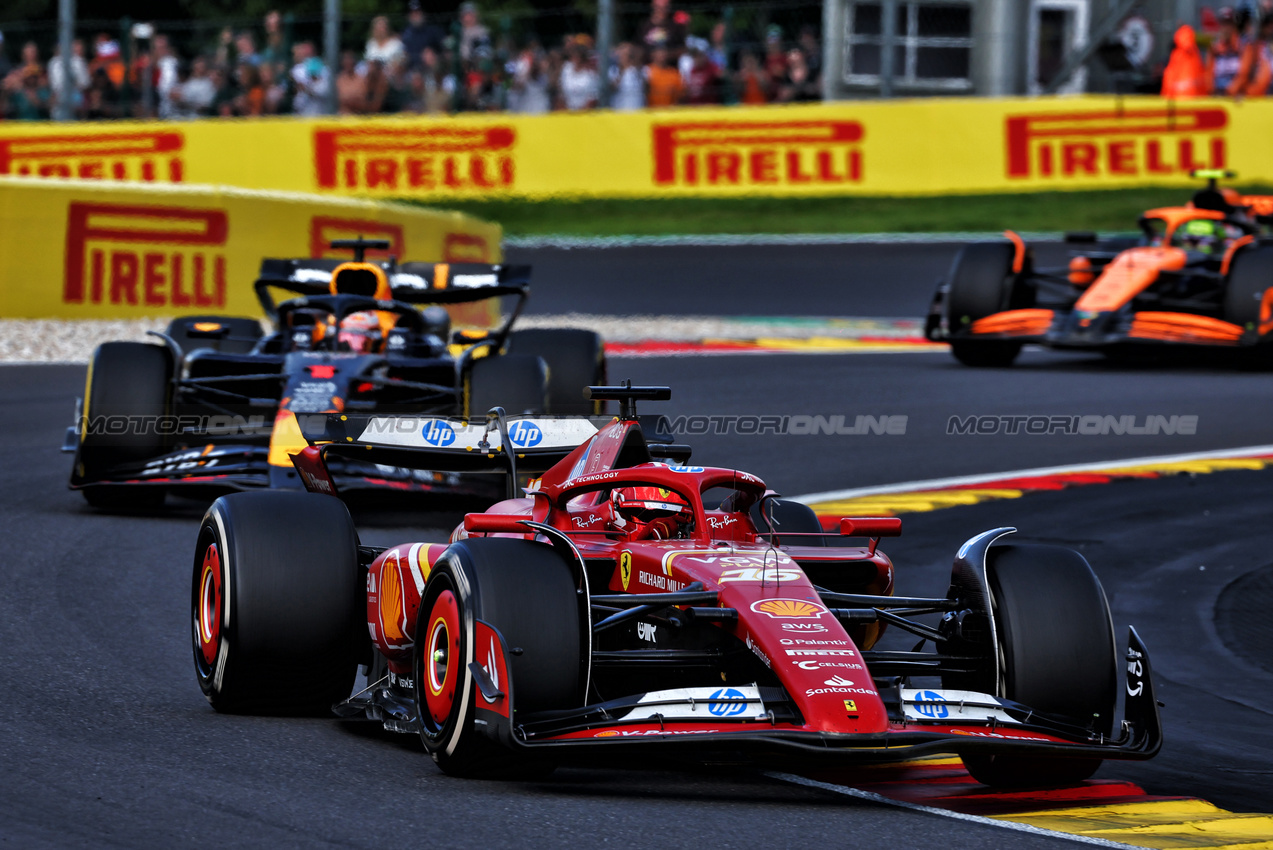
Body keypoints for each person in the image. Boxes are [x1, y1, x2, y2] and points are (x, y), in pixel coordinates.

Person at [1231, 13, 1273, 95]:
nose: (1271, 28)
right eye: (1268, 25)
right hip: (1257, 94)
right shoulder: (1252, 47)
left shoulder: (1260, 47)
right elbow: (1244, 72)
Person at [1160, 24, 1207, 97]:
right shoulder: (1195, 55)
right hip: (1197, 104)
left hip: (1178, 105)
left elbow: (1168, 81)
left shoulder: (1176, 54)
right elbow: (1203, 83)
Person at [1210, 7, 1248, 94]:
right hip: (1217, 95)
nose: (1226, 28)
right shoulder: (1215, 47)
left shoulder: (1244, 46)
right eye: (1223, 23)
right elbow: (1208, 73)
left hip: (1236, 97)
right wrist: (1212, 90)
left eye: (1229, 23)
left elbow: (1244, 74)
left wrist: (1230, 91)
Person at [558, 37, 599, 110]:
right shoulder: (566, 69)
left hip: (585, 113)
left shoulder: (590, 73)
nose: (574, 58)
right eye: (573, 55)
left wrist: (580, 113)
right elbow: (561, 94)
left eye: (577, 56)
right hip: (568, 112)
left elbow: (593, 97)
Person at [402, 1, 444, 68]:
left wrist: (434, 55)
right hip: (411, 70)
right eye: (412, 13)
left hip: (431, 70)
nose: (415, 15)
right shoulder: (405, 32)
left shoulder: (434, 30)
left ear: (423, 13)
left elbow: (444, 50)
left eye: (417, 12)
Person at [289, 43, 329, 116]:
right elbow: (294, 82)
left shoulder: (325, 71)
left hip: (319, 112)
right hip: (300, 111)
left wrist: (306, 89)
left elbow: (322, 91)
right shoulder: (298, 69)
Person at [610, 42, 645, 110]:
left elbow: (646, 88)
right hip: (618, 110)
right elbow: (612, 88)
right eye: (623, 54)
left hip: (637, 109)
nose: (625, 57)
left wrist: (637, 66)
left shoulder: (642, 70)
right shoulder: (613, 70)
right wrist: (621, 71)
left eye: (628, 54)